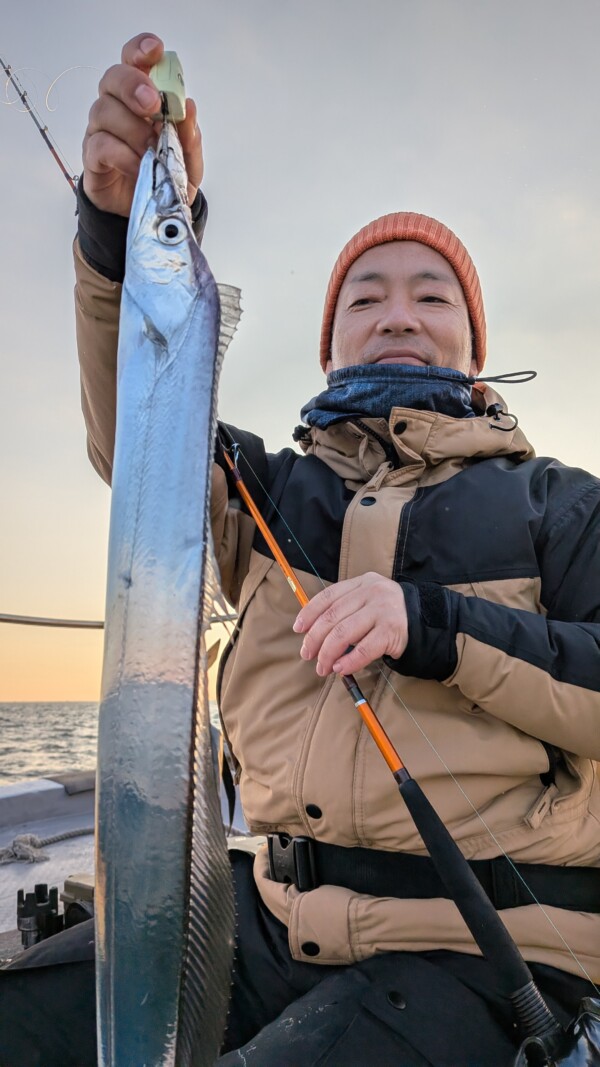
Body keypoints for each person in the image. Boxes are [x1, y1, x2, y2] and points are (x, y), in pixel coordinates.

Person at [1, 31, 600, 1067]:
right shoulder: (271, 491)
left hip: (484, 950)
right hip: (269, 917)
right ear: (330, 345)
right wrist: (115, 236)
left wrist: (432, 624)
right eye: (364, 297)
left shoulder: (557, 502)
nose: (396, 313)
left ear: (476, 344)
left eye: (431, 293)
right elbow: (141, 429)